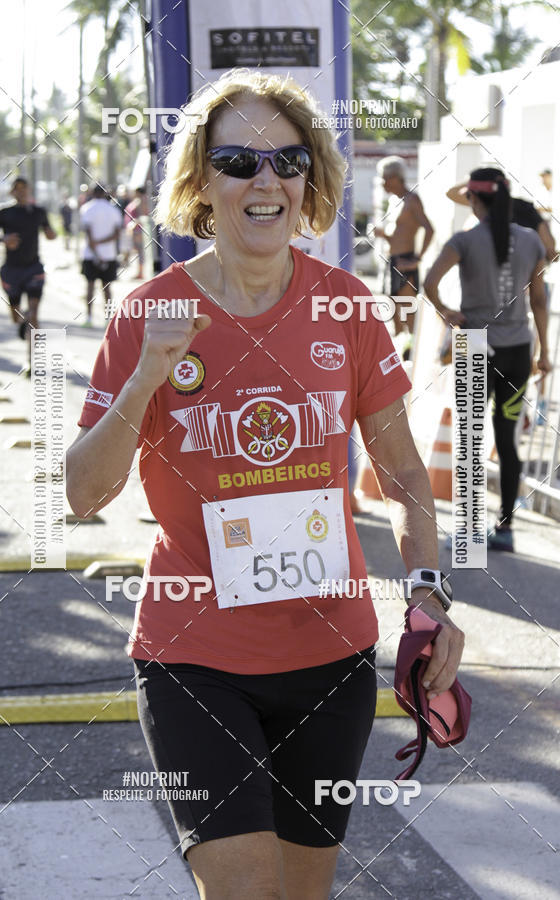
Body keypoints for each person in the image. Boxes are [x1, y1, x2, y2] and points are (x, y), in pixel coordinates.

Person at [67, 70, 464, 900]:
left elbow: (401, 473)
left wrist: (428, 594)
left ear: (309, 180)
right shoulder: (149, 314)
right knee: (245, 890)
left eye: (287, 160)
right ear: (200, 182)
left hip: (331, 657)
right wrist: (144, 379)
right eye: (239, 160)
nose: (266, 179)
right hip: (195, 656)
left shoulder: (346, 307)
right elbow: (82, 494)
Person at [425, 167, 551, 553]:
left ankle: (467, 533)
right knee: (507, 440)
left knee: (469, 439)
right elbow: (539, 300)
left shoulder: (464, 240)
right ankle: (505, 529)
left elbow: (429, 283)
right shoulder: (531, 240)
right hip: (518, 350)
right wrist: (545, 353)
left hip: (474, 345)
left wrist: (447, 311)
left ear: (474, 199)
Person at [0, 177, 57, 346]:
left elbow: (50, 232)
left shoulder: (38, 212)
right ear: (12, 192)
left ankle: (35, 356)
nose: (22, 191)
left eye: (25, 187)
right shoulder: (4, 212)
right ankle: (24, 320)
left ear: (29, 190)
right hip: (11, 270)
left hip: (34, 268)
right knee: (16, 317)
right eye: (18, 188)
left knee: (34, 313)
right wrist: (3, 239)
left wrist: (51, 234)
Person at [374, 156, 434, 336]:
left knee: (408, 313)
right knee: (393, 311)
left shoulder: (412, 200)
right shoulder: (394, 200)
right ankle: (400, 350)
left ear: (394, 178)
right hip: (392, 260)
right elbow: (398, 236)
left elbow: (429, 229)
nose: (382, 183)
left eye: (384, 178)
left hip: (405, 261)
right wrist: (384, 235)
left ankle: (414, 351)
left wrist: (417, 259)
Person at [79, 184, 123, 325]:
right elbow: (116, 234)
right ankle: (108, 318)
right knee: (107, 288)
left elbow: (88, 234)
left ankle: (89, 317)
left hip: (90, 255)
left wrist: (96, 247)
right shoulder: (113, 210)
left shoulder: (87, 208)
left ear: (92, 193)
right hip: (109, 254)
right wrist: (102, 244)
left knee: (90, 287)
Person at [123, 186, 149, 279]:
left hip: (138, 231)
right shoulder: (137, 201)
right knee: (138, 251)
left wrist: (134, 226)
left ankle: (141, 273)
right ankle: (139, 272)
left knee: (140, 251)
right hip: (135, 231)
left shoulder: (141, 202)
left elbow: (142, 217)